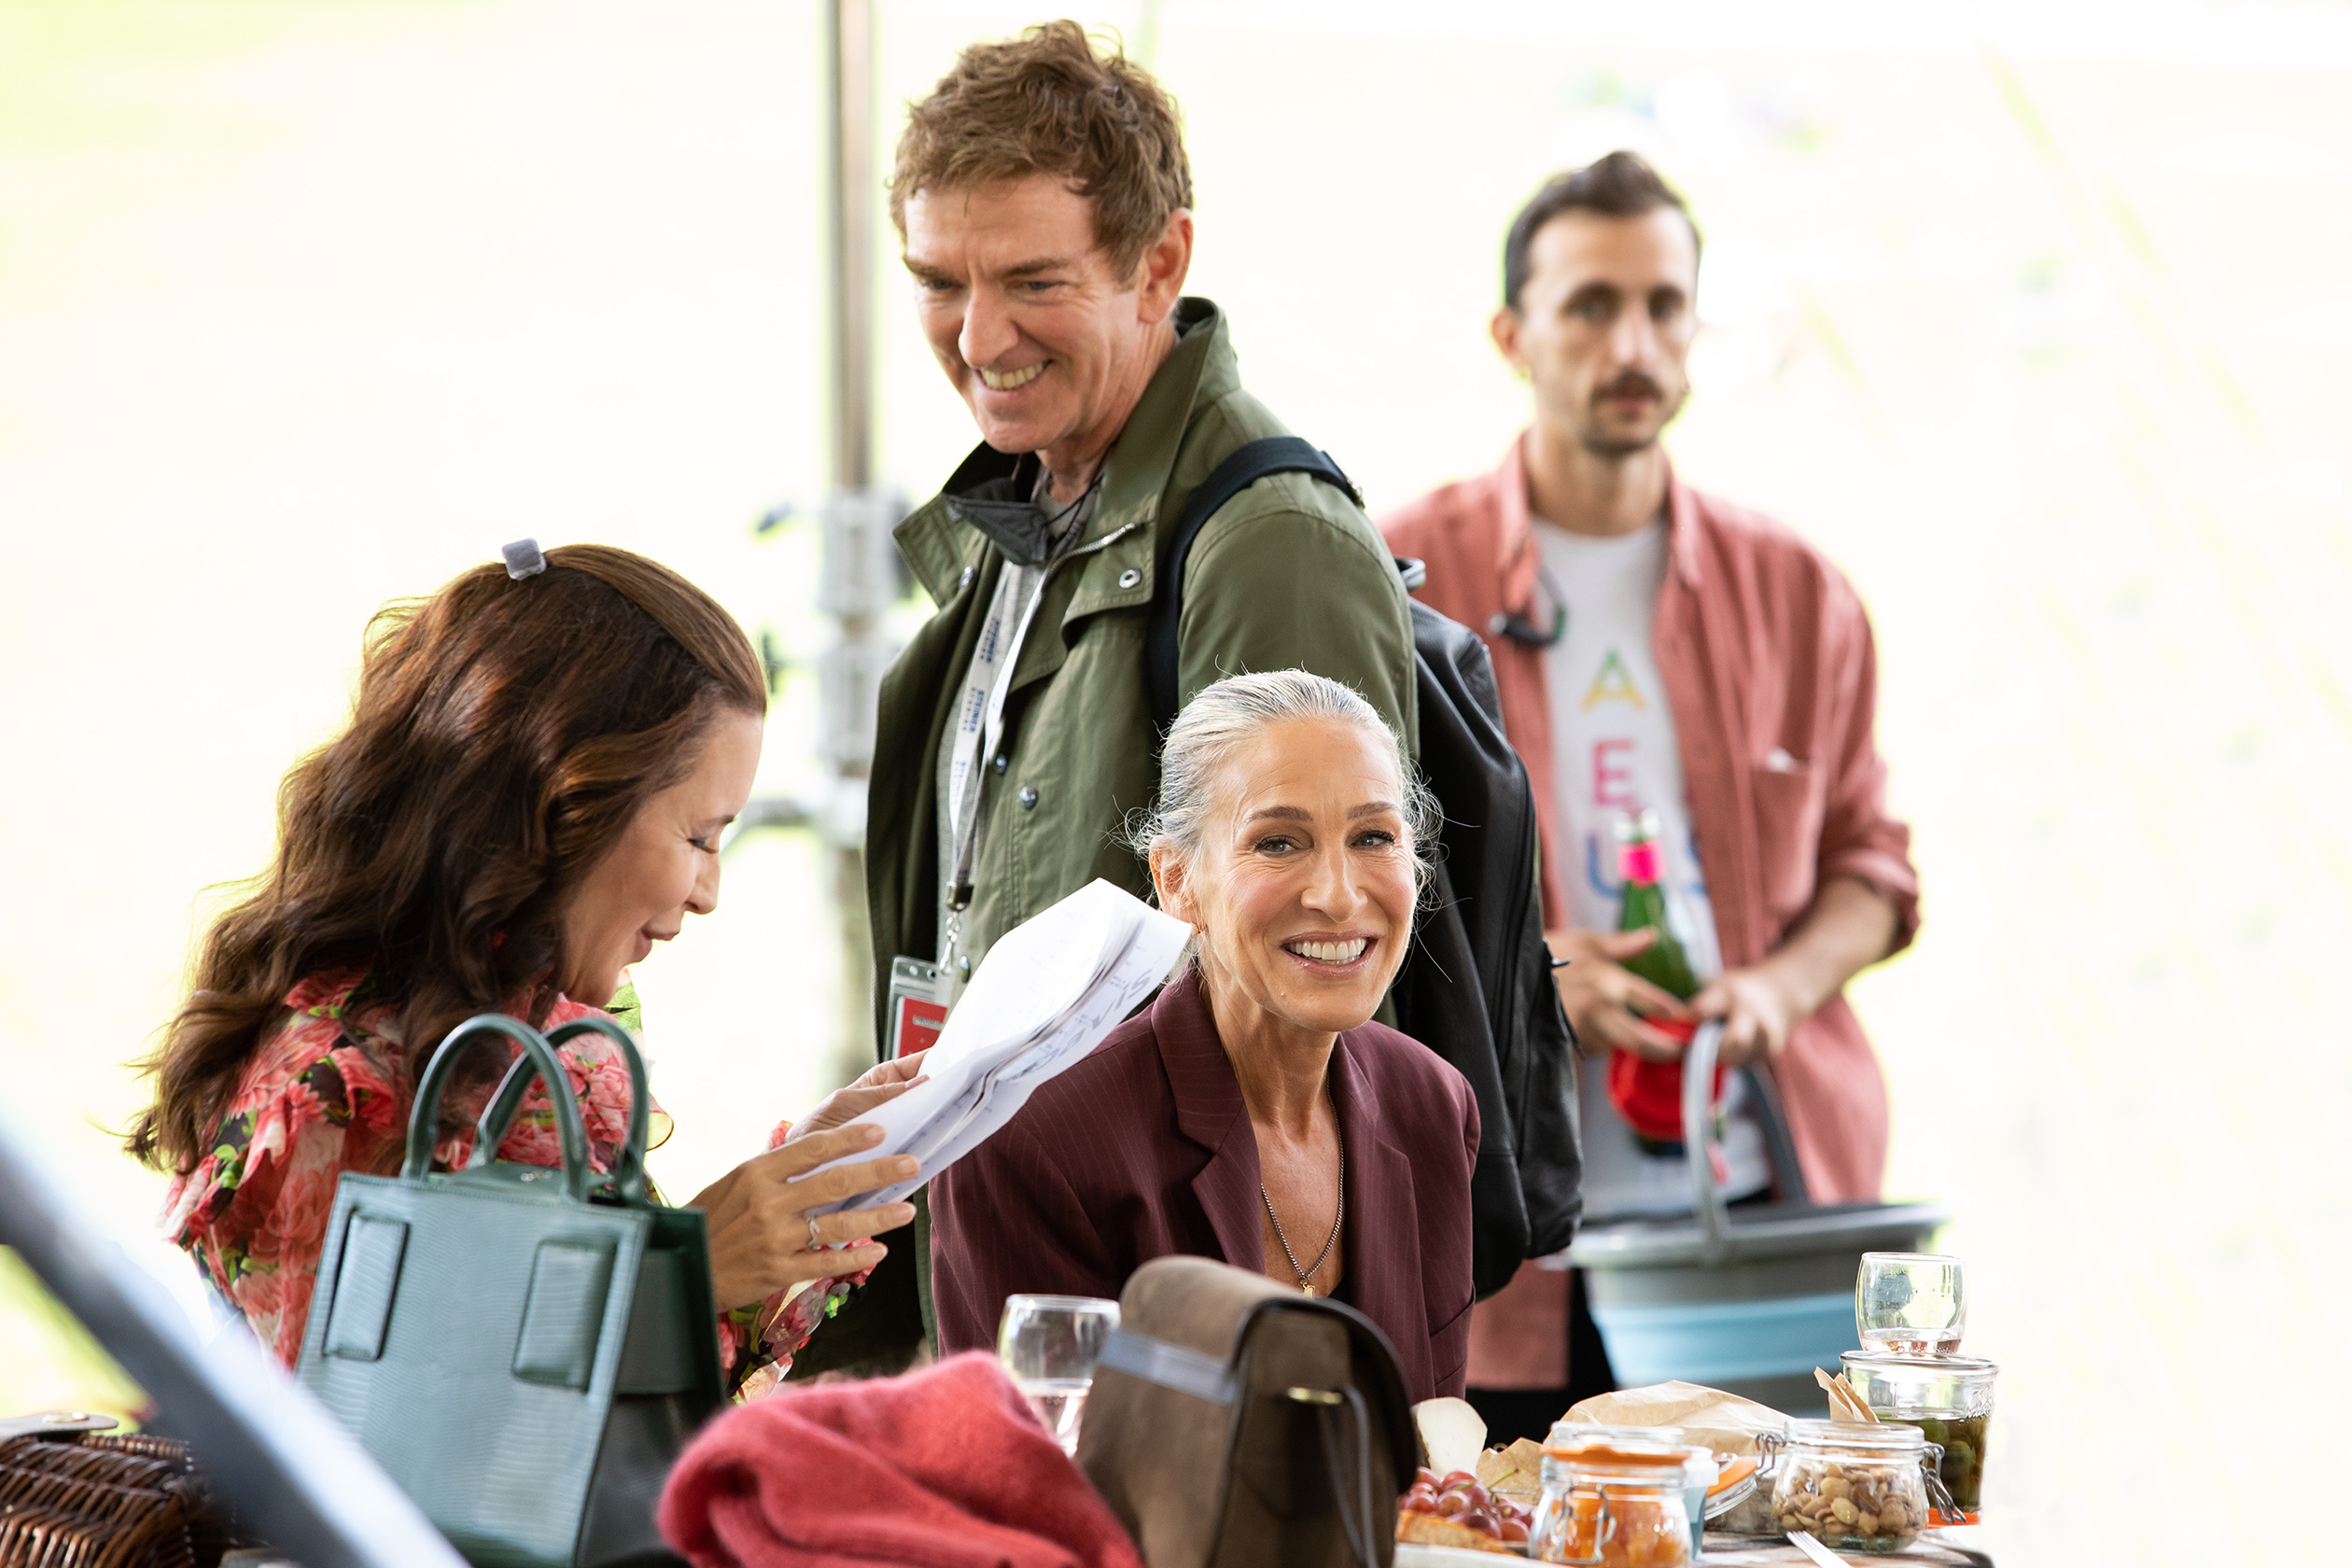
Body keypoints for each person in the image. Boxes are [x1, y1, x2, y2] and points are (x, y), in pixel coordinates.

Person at [836, 22, 1419, 1365]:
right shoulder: (1026, 512)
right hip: (1017, 1281)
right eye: (939, 282)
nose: (978, 336)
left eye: (1031, 282)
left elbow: (1322, 989)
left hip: (1176, 1331)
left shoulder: (1270, 542)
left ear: (1161, 264)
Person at [1379, 153, 1921, 1433]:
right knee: (1517, 1512)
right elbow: (1328, 891)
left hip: (1758, 1220)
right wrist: (1529, 982)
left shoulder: (1799, 590)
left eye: (1664, 306)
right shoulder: (1400, 576)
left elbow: (1874, 867)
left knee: (1771, 1521)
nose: (1633, 344)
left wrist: (1778, 988)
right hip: (1508, 1233)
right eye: (1590, 305)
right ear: (1512, 336)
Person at [131, 543, 926, 1395]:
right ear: (565, 804)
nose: (708, 894)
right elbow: (382, 1438)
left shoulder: (507, 1049)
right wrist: (677, 1274)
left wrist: (795, 1200)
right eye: (698, 837)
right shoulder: (336, 1094)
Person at [931, 671, 1477, 1404]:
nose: (1340, 895)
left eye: (1373, 837)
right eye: (1278, 843)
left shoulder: (1433, 1105)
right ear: (1177, 881)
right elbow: (1033, 1461)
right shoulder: (1035, 1137)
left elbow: (1434, 1449)